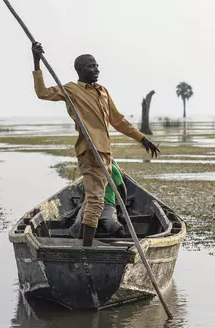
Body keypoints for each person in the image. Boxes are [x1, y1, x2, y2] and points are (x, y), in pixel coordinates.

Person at [31, 42, 160, 246]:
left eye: (97, 66)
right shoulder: (71, 90)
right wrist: (37, 61)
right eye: (91, 66)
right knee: (95, 200)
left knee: (96, 200)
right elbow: (42, 93)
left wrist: (143, 139)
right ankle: (87, 248)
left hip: (105, 152)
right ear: (80, 70)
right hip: (89, 151)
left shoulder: (102, 91)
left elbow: (118, 121)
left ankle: (83, 242)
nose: (96, 69)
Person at [69, 162, 128, 239]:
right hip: (89, 204)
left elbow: (122, 190)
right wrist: (79, 208)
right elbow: (84, 193)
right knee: (77, 227)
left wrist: (123, 211)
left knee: (113, 225)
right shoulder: (87, 168)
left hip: (106, 204)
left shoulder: (111, 168)